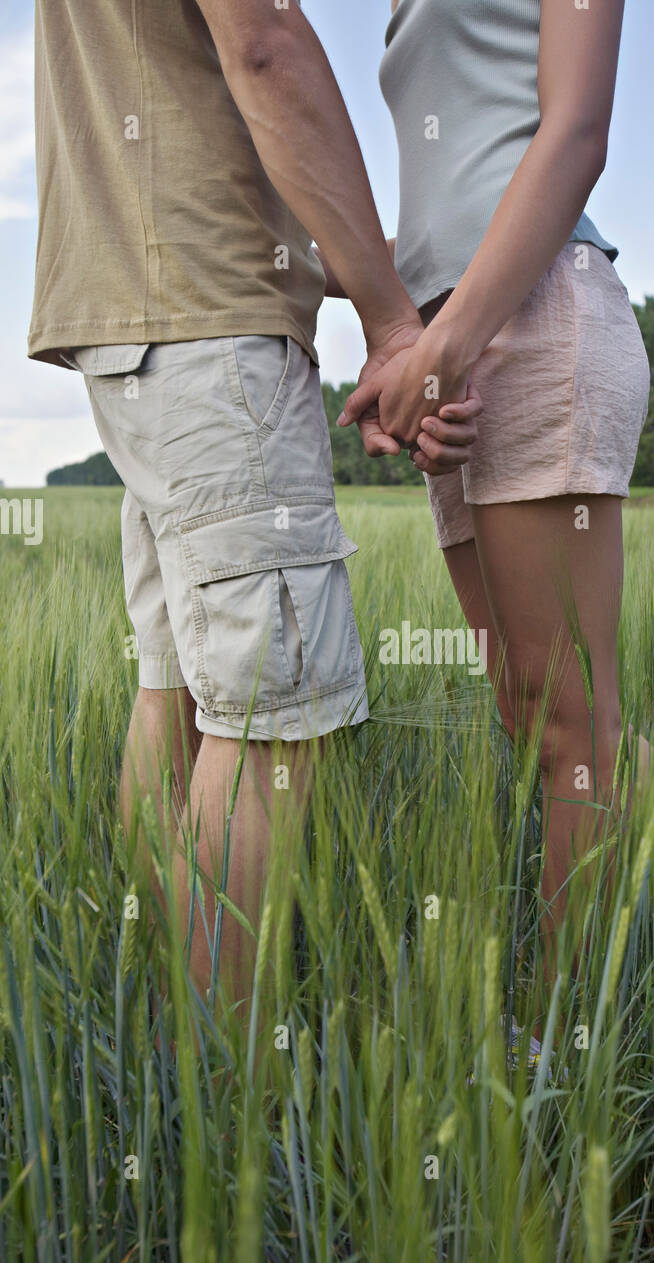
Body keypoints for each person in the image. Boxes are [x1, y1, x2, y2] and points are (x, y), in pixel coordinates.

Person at [26, 0, 475, 1008]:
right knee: (276, 722)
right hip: (210, 317)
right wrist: (389, 319)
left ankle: (172, 1018)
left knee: (178, 687)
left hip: (133, 323)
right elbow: (265, 46)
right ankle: (231, 1089)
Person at [338, 0, 653, 1012]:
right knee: (531, 715)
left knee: (568, 723)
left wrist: (444, 343)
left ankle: (568, 1052)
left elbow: (575, 133)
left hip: (528, 315)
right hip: (454, 349)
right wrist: (399, 345)